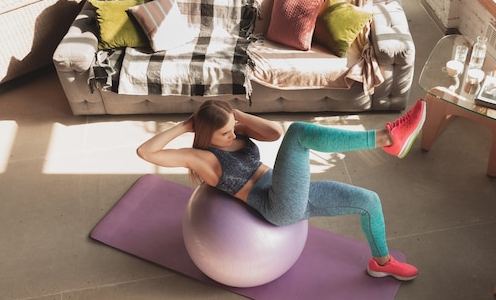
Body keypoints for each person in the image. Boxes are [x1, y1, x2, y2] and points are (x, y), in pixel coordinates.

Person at [137, 99, 426, 280]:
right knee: (299, 134)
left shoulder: (234, 131)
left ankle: (382, 263)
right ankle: (387, 138)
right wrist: (185, 126)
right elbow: (146, 152)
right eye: (224, 133)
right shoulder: (203, 158)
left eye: (232, 128)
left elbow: (274, 133)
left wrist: (238, 116)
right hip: (277, 205)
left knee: (369, 200)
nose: (233, 135)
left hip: (290, 189)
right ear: (203, 135)